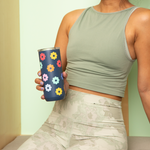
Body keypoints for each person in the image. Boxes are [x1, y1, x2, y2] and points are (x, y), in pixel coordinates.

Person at [18, 0, 150, 149]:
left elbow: (147, 90)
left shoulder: (143, 19)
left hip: (103, 132)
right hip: (54, 128)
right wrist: (59, 85)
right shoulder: (71, 19)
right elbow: (55, 74)